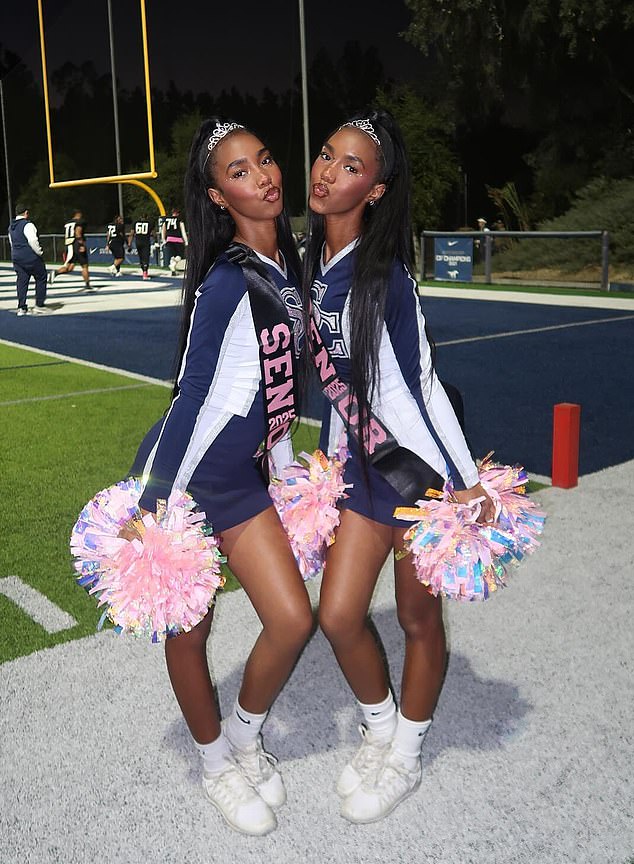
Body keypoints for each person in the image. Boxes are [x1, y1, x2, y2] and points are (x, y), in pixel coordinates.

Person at [302, 109, 495, 823]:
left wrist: (462, 481)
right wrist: (327, 451)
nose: (329, 172)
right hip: (358, 471)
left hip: (417, 477)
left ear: (377, 189)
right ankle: (380, 726)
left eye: (351, 166)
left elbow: (421, 391)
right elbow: (338, 382)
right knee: (340, 614)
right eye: (327, 155)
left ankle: (408, 755)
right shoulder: (312, 263)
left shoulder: (386, 279)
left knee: (417, 617)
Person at [127, 118, 311, 836]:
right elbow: (192, 396)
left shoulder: (285, 272)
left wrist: (288, 463)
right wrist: (155, 502)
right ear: (216, 194)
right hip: (191, 483)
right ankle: (212, 765)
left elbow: (278, 388)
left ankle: (241, 733)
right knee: (191, 635)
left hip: (245, 478)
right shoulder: (227, 280)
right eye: (241, 171)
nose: (263, 175)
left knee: (292, 620)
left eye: (264, 160)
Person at [8, 204, 51, 315]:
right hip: (29, 256)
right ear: (26, 213)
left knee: (21, 281)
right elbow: (33, 241)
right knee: (41, 277)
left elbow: (12, 243)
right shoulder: (28, 225)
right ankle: (39, 305)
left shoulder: (11, 227)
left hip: (16, 257)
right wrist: (40, 252)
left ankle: (22, 307)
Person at [55, 209, 92, 290]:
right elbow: (78, 233)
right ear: (78, 214)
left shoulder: (68, 223)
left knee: (70, 267)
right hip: (76, 244)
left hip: (69, 245)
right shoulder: (79, 222)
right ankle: (87, 284)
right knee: (84, 265)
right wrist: (81, 244)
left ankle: (55, 273)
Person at [161, 205, 188, 274]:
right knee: (179, 256)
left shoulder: (166, 220)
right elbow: (183, 231)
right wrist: (186, 241)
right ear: (177, 213)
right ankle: (172, 265)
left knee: (173, 255)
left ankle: (173, 270)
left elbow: (163, 230)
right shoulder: (179, 220)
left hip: (169, 239)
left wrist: (164, 239)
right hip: (178, 239)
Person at [129, 213, 154, 279]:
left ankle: (144, 271)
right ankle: (145, 273)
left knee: (141, 258)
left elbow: (131, 234)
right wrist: (156, 240)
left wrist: (129, 244)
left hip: (138, 242)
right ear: (147, 217)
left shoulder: (135, 223)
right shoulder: (149, 223)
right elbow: (153, 233)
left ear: (140, 217)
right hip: (145, 242)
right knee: (146, 258)